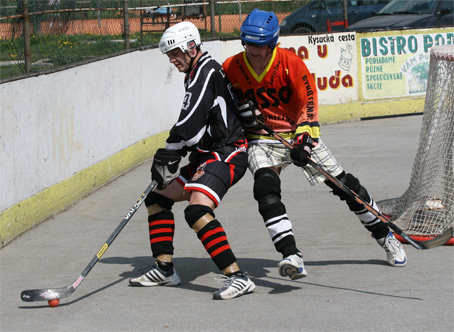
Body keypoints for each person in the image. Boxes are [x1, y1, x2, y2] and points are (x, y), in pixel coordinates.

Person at [222, 9, 407, 280]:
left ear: (273, 42)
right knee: (265, 187)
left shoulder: (291, 64)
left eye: (260, 44)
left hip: (296, 132)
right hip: (262, 138)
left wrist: (304, 142)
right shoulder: (231, 66)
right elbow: (222, 102)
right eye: (249, 43)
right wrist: (241, 113)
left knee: (344, 186)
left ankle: (385, 235)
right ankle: (291, 256)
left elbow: (308, 103)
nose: (254, 50)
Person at [129, 21, 255, 300]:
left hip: (228, 153)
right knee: (157, 196)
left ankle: (238, 277)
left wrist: (170, 150)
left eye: (175, 53)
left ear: (191, 46)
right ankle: (164, 269)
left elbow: (191, 121)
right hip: (207, 156)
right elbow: (199, 126)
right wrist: (176, 151)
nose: (172, 60)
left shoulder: (206, 71)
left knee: (197, 209)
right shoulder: (197, 71)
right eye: (169, 56)